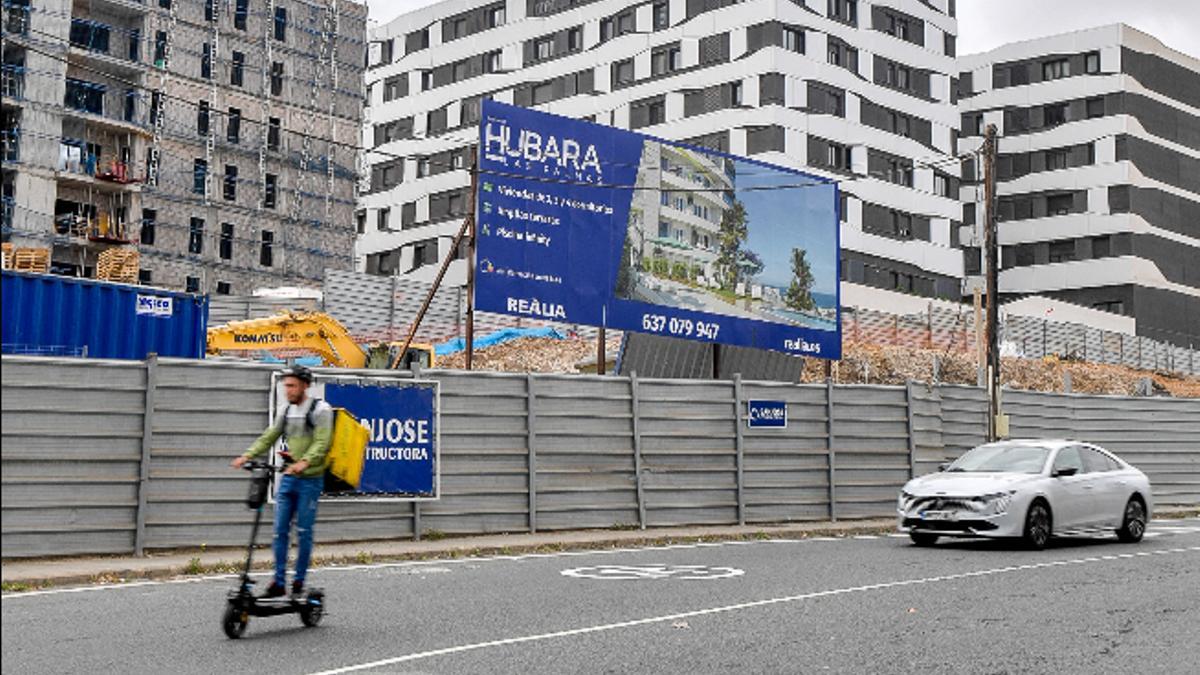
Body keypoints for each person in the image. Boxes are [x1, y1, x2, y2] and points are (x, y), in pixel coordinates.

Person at [232, 365, 333, 598]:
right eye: (285, 385)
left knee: (304, 531)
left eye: (292, 385)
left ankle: (298, 581)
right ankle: (278, 582)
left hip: (310, 479)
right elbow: (270, 435)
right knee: (279, 531)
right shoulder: (285, 411)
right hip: (288, 478)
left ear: (305, 386)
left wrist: (305, 462)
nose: (287, 390)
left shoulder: (321, 410)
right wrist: (248, 455)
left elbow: (322, 443)